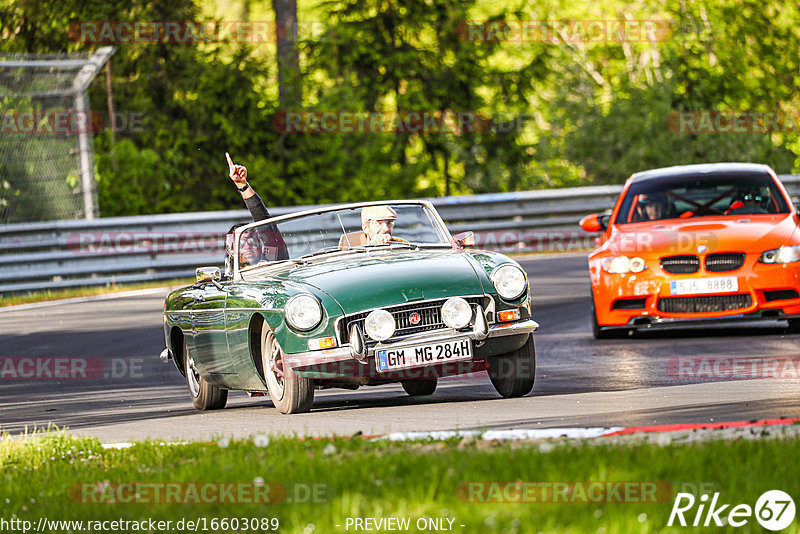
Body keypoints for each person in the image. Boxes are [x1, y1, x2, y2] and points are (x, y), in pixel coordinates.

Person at [226, 152, 289, 261]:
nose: (248, 247)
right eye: (242, 243)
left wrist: (243, 186)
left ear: (260, 246)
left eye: (253, 242)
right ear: (232, 251)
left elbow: (264, 222)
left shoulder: (273, 261)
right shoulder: (229, 275)